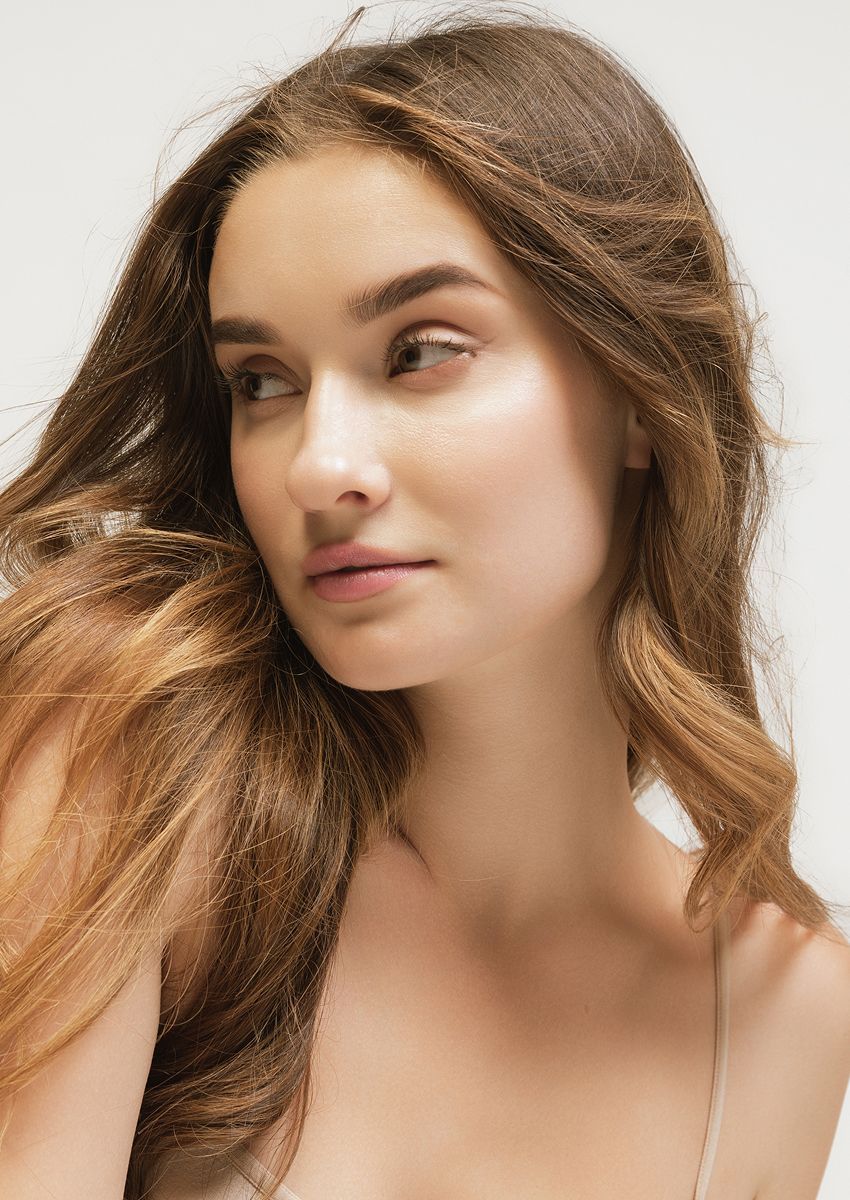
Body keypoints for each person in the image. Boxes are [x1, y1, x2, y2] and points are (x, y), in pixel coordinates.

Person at [1, 5, 849, 1200]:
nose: (315, 464)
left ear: (643, 393)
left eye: (419, 351)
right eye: (262, 382)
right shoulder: (140, 763)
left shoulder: (782, 1010)